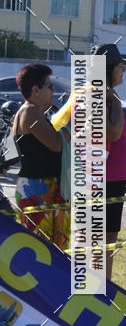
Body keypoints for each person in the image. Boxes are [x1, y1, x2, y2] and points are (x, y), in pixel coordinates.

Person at [89, 44, 126, 281]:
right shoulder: (96, 97)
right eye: (120, 65)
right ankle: (96, 289)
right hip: (99, 181)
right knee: (98, 240)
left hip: (114, 182)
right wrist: (115, 101)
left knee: (108, 240)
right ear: (108, 68)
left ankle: (104, 288)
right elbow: (113, 133)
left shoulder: (108, 96)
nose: (124, 70)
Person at [12, 64, 70, 250]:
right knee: (40, 250)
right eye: (49, 86)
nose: (53, 91)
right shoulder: (30, 112)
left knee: (52, 250)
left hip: (44, 186)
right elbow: (56, 144)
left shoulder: (34, 112)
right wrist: (69, 130)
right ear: (35, 90)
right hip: (36, 188)